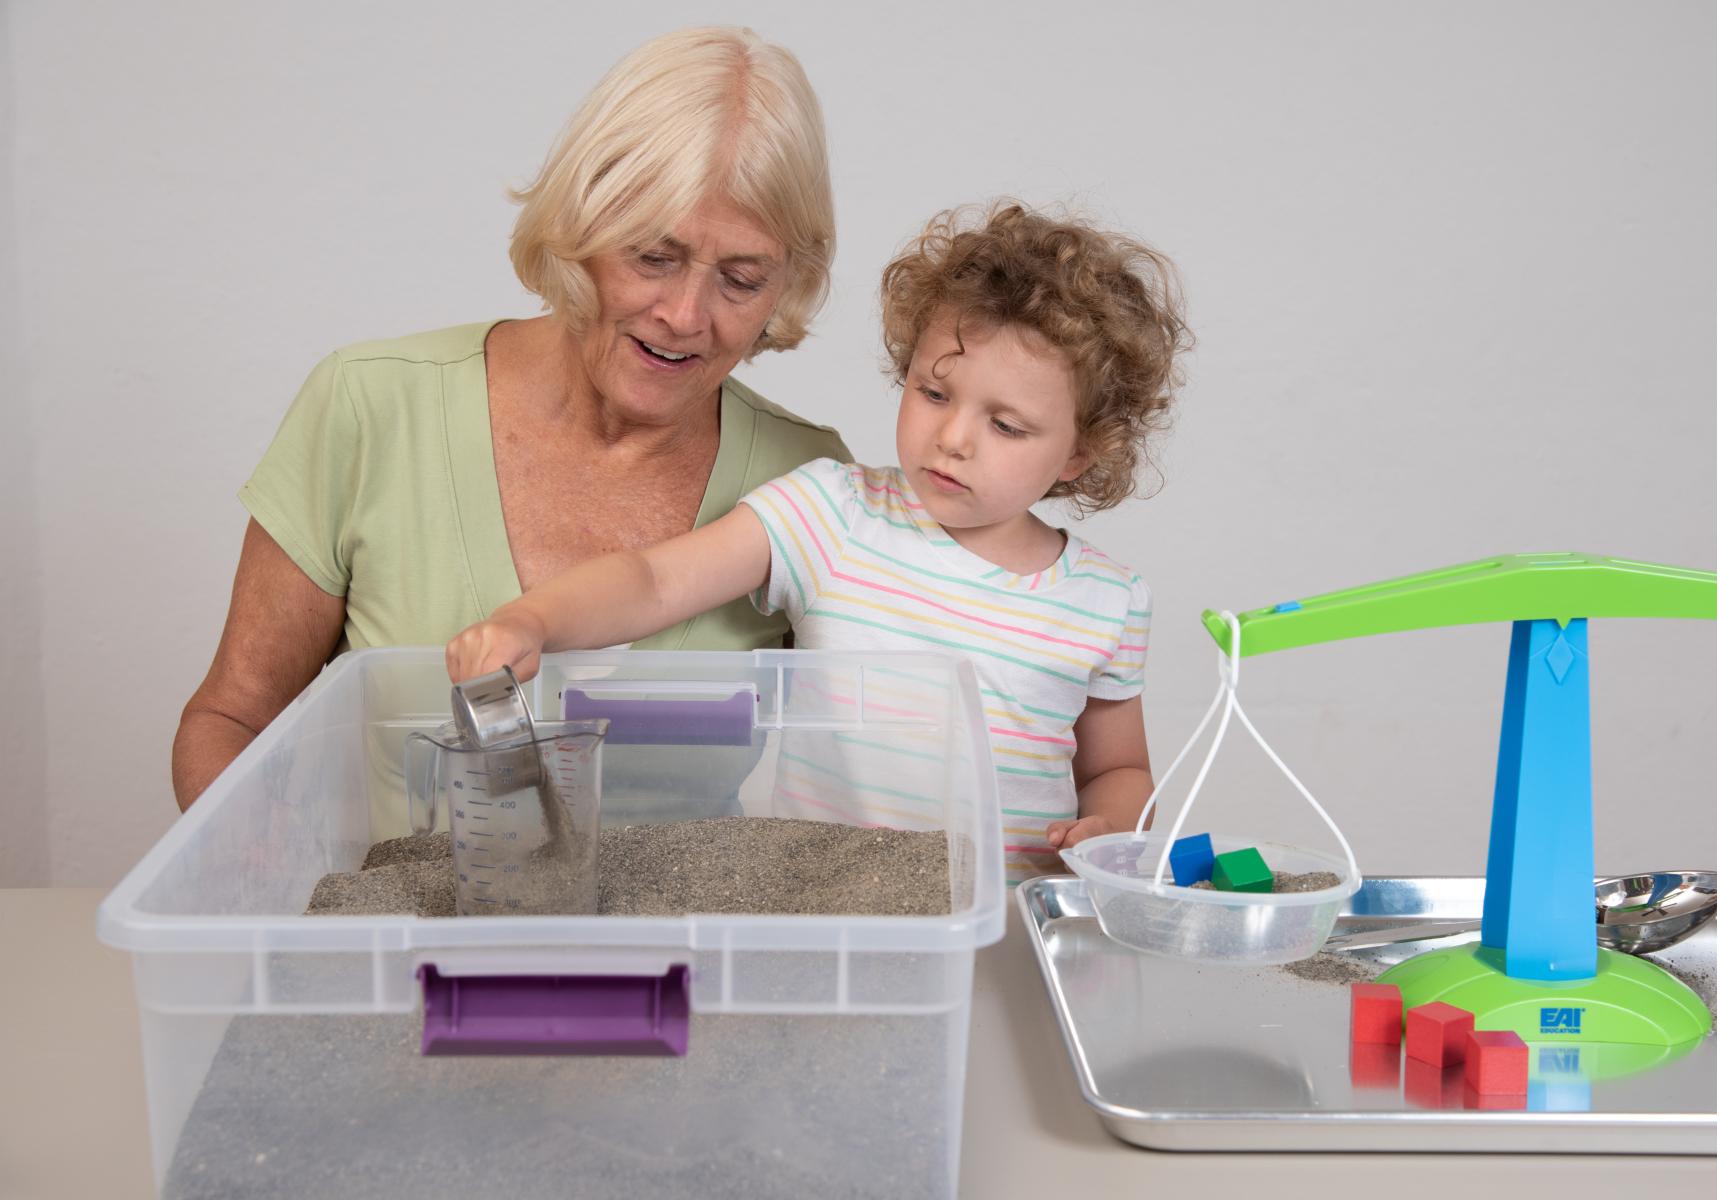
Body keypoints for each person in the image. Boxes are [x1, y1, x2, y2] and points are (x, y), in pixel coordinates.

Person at [171, 27, 851, 815]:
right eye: (652, 257)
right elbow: (231, 717)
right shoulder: (371, 407)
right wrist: (265, 885)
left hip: (681, 944)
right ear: (583, 225)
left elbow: (885, 755)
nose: (685, 315)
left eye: (741, 278)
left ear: (785, 286)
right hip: (399, 936)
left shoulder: (813, 486)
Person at [448, 202, 1191, 882]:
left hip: (1004, 920)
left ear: (1077, 455)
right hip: (826, 901)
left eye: (1005, 425)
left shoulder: (1105, 602)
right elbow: (656, 582)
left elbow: (1119, 769)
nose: (954, 438)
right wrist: (532, 621)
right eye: (934, 393)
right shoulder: (834, 514)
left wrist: (1113, 828)